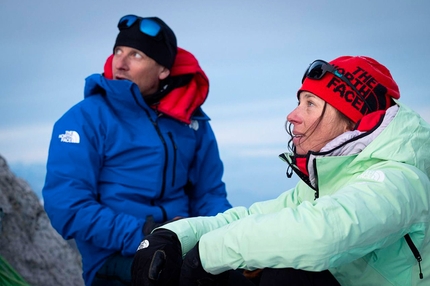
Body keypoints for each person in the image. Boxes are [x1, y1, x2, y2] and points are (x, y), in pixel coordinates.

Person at [131, 56, 430, 285]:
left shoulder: (401, 180)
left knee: (283, 272)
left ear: (352, 121)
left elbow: (324, 233)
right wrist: (174, 236)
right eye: (298, 101)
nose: (293, 115)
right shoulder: (326, 182)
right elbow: (255, 217)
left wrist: (207, 254)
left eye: (310, 104)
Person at [42, 14, 232, 286]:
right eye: (118, 51)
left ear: (163, 70)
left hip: (183, 244)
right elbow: (67, 206)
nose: (120, 61)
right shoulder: (85, 119)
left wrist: (229, 235)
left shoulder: (190, 122)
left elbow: (209, 194)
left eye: (136, 55)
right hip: (114, 256)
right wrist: (149, 235)